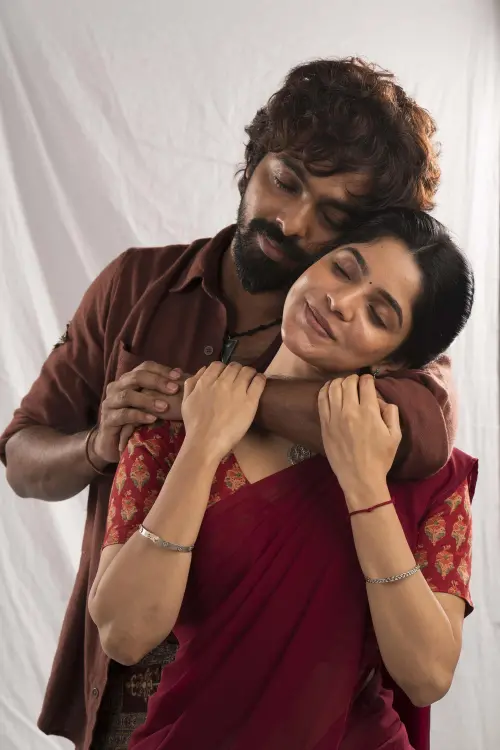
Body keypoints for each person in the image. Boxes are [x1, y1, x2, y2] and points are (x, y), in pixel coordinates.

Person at [1, 58, 451, 750]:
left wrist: (208, 403)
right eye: (285, 181)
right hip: (124, 683)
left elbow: (419, 436)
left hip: (286, 704)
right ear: (253, 162)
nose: (291, 221)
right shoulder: (136, 284)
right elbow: (23, 456)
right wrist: (98, 445)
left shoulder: (359, 340)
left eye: (333, 217)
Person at [89, 208, 476, 750]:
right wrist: (202, 448)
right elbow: (123, 635)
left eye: (378, 314)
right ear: (313, 262)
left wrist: (365, 487)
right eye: (343, 269)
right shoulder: (172, 432)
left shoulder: (429, 477)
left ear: (396, 361)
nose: (340, 302)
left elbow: (427, 676)